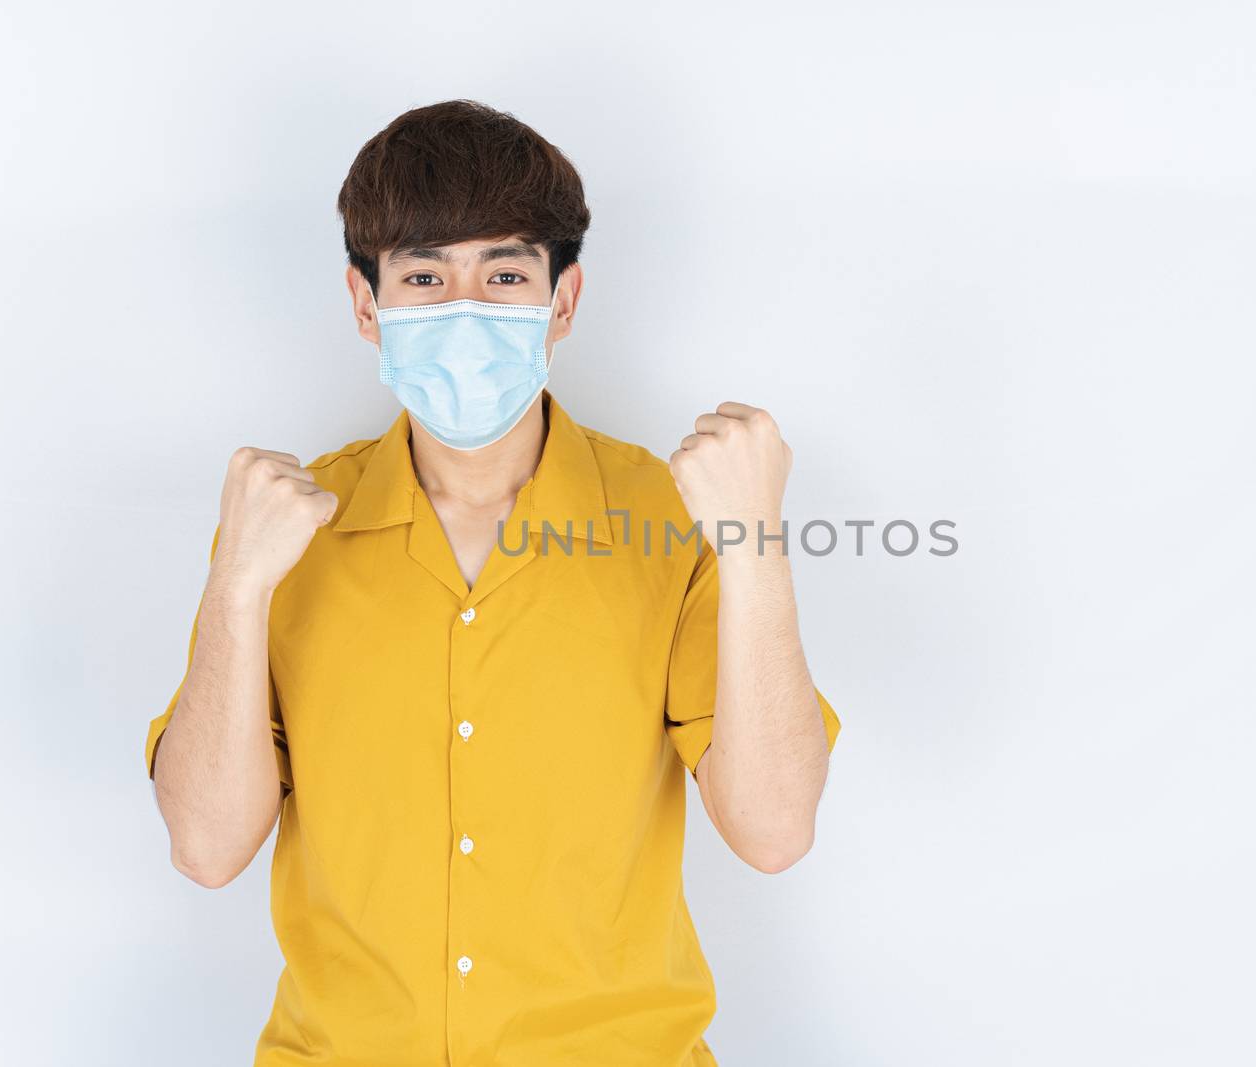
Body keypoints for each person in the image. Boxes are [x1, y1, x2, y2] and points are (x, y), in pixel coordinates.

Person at [142, 99, 842, 1066]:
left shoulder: (673, 518)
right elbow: (207, 848)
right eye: (424, 275)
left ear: (563, 300)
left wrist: (755, 544)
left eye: (504, 273)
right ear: (364, 302)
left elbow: (774, 831)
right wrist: (235, 587)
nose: (464, 310)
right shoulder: (285, 534)